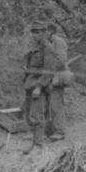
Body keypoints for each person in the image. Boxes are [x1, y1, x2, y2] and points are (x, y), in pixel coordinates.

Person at [22, 21, 67, 154]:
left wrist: (39, 87)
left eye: (37, 32)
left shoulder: (47, 47)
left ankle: (38, 144)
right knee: (31, 113)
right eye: (33, 33)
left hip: (38, 85)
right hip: (30, 83)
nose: (34, 35)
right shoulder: (36, 46)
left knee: (37, 115)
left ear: (43, 33)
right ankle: (36, 141)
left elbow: (49, 69)